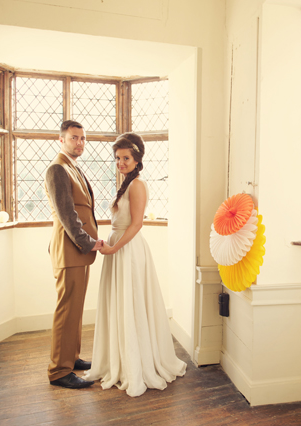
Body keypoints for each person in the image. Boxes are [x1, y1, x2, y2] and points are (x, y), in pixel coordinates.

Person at [83, 132, 187, 397]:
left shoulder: (138, 184)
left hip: (128, 250)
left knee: (131, 303)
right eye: (117, 158)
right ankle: (118, 359)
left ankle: (137, 363)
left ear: (137, 159)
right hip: (117, 247)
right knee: (120, 304)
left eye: (126, 158)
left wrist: (115, 248)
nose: (120, 162)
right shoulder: (126, 183)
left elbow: (137, 223)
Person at [44, 120, 103, 389]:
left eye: (82, 138)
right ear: (61, 140)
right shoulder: (57, 169)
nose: (79, 142)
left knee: (76, 308)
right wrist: (87, 242)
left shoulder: (72, 167)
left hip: (78, 251)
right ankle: (59, 371)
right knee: (67, 310)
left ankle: (72, 357)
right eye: (74, 138)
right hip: (71, 249)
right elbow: (67, 215)